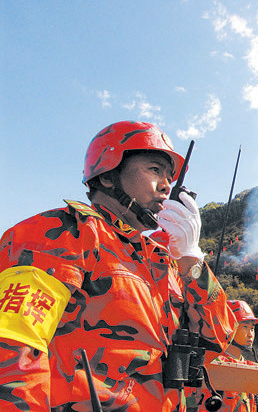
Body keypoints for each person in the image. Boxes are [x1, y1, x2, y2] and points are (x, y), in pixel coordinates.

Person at [0, 120, 236, 412]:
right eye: (154, 169)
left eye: (169, 177)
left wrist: (191, 261)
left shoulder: (162, 261)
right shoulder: (61, 232)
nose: (166, 185)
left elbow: (216, 341)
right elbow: (14, 346)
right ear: (109, 175)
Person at [196, 300, 258, 412]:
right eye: (245, 327)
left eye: (252, 328)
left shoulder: (246, 364)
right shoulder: (213, 363)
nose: (250, 334)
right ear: (228, 328)